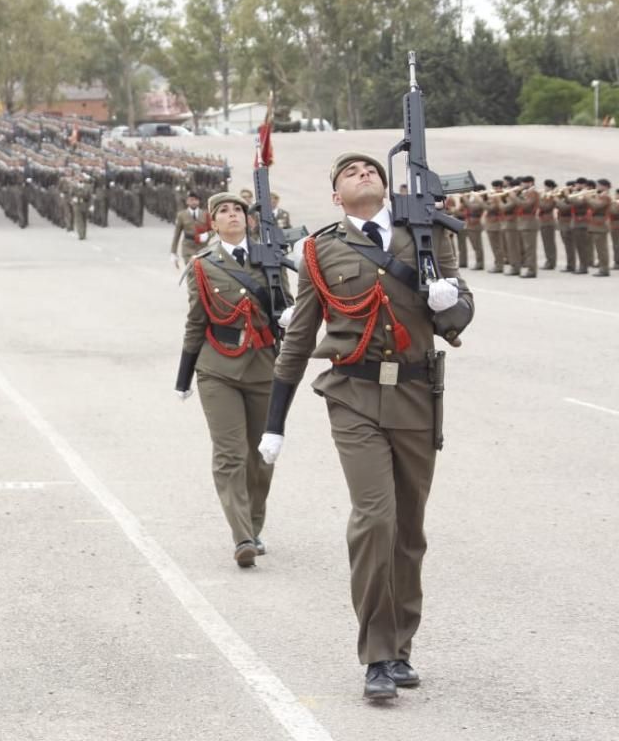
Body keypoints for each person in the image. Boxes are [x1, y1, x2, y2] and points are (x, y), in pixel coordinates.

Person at [258, 152, 473, 700]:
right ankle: (377, 655)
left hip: (418, 395)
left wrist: (449, 300)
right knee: (374, 519)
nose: (363, 175)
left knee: (408, 530)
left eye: (371, 170)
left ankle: (401, 647)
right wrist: (274, 422)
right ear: (335, 196)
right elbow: (300, 338)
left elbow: (457, 315)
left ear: (386, 184)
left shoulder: (425, 234)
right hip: (352, 396)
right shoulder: (317, 250)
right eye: (349, 173)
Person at [176, 192, 291, 567]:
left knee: (261, 455)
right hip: (217, 369)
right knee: (230, 454)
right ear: (213, 222)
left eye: (238, 210)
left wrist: (290, 318)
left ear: (249, 219)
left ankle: (254, 527)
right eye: (223, 211)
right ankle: (241, 535)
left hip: (264, 367)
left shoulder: (270, 258)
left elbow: (287, 307)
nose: (232, 215)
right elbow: (196, 321)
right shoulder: (202, 265)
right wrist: (185, 375)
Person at [170, 191, 208, 269]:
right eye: (191, 200)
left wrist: (207, 235)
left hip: (202, 248)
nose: (193, 202)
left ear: (199, 201)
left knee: (202, 272)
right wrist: (173, 252)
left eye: (196, 200)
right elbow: (176, 235)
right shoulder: (181, 215)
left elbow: (213, 229)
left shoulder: (205, 214)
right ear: (187, 201)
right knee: (192, 270)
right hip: (188, 248)